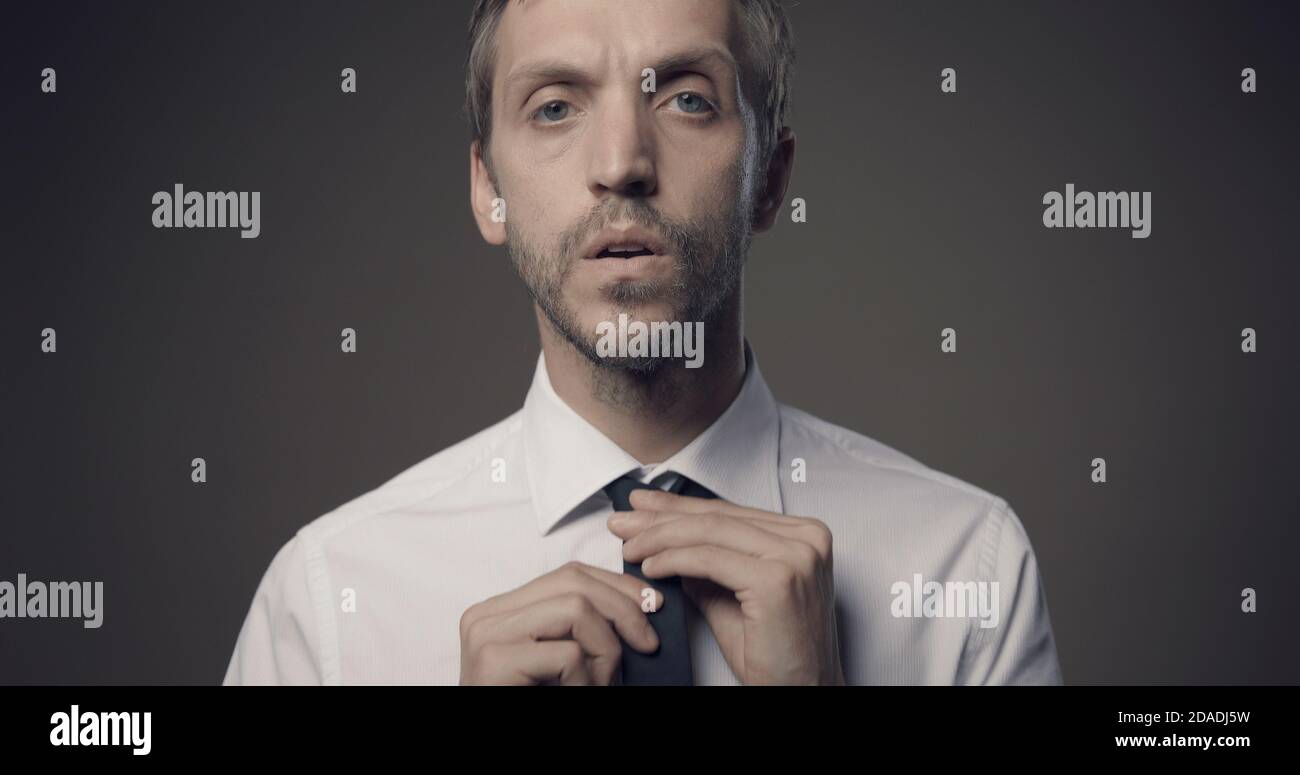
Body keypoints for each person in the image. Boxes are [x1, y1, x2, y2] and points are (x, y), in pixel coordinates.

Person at [224, 0, 1063, 685]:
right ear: (489, 191)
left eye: (686, 98)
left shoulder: (966, 571)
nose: (622, 161)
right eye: (555, 106)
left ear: (768, 179)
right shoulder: (331, 597)